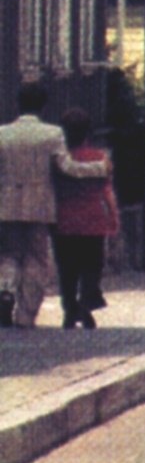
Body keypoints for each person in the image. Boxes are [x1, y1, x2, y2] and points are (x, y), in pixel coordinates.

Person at [0, 81, 111, 328]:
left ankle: (5, 288)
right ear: (43, 105)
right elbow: (67, 168)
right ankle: (25, 315)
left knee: (8, 254)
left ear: (18, 104)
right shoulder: (52, 134)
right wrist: (98, 168)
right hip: (39, 207)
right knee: (36, 259)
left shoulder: (2, 134)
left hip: (5, 205)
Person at [52, 108, 118, 329]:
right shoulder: (100, 157)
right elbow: (107, 191)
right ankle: (86, 303)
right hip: (93, 218)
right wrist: (113, 217)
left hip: (65, 217)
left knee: (66, 267)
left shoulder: (60, 158)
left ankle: (69, 308)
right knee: (92, 265)